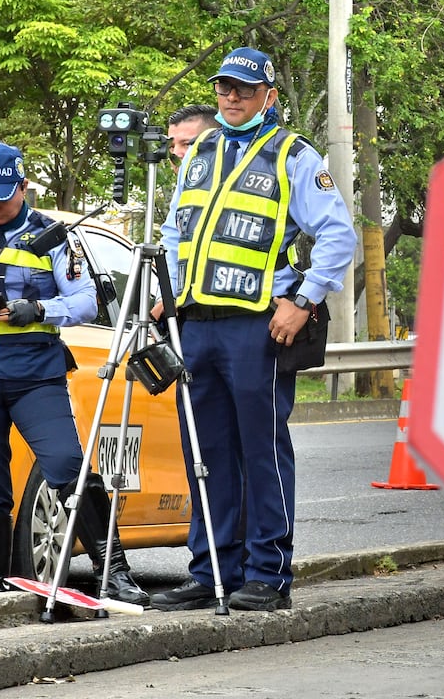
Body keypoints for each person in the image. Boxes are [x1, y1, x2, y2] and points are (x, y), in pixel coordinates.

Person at [148, 47, 356, 612]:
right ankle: (212, 570)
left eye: (243, 89)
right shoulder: (200, 152)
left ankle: (268, 573)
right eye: (224, 88)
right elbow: (174, 230)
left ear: (269, 96)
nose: (232, 97)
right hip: (197, 327)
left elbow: (339, 237)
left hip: (255, 328)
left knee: (260, 451)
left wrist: (304, 301)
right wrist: (166, 294)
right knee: (205, 453)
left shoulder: (292, 154)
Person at [0, 142, 150, 606]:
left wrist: (38, 309)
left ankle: (113, 572)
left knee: (67, 466)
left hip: (34, 373)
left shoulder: (53, 236)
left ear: (24, 187)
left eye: (1, 197)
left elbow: (86, 300)